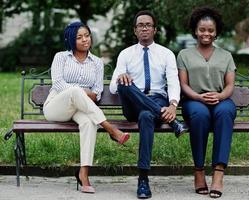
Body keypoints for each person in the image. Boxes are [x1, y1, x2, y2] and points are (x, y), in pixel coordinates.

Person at [43, 21, 130, 194]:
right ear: (70, 40)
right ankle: (111, 130)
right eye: (79, 37)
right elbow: (59, 84)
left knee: (89, 123)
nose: (85, 40)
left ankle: (84, 174)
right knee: (75, 91)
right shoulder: (61, 57)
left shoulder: (97, 62)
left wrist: (82, 94)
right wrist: (82, 92)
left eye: (87, 36)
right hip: (56, 106)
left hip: (81, 109)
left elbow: (97, 93)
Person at [109, 10, 188, 199]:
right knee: (123, 83)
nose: (144, 28)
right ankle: (173, 122)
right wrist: (122, 77)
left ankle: (143, 180)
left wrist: (173, 105)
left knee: (146, 116)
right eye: (140, 25)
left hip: (157, 100)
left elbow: (173, 82)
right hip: (132, 105)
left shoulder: (166, 54)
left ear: (155, 30)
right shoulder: (126, 54)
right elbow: (113, 88)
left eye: (148, 25)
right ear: (134, 31)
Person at [177, 7, 237, 198]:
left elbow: (229, 86)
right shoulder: (184, 55)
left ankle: (218, 174)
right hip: (194, 100)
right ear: (195, 30)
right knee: (200, 115)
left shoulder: (226, 56)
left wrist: (219, 97)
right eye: (202, 29)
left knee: (225, 112)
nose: (206, 33)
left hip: (221, 100)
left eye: (210, 30)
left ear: (216, 32)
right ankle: (199, 171)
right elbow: (183, 85)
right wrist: (198, 97)